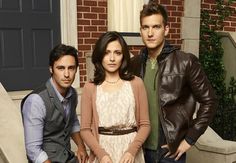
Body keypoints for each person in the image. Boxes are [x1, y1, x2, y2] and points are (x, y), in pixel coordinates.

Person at [129, 1, 218, 163]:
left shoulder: (185, 62)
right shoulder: (134, 64)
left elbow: (209, 101)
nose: (150, 33)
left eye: (156, 27)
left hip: (169, 151)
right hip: (139, 148)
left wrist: (189, 139)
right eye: (145, 27)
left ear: (166, 29)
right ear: (140, 31)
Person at [80, 31, 150, 163]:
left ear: (123, 56)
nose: (112, 58)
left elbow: (145, 125)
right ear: (100, 55)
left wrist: (131, 151)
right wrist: (101, 154)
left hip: (131, 153)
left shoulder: (136, 83)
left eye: (117, 53)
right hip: (103, 153)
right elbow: (84, 129)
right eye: (107, 53)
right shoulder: (90, 87)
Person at [21, 44, 88, 163]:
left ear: (76, 69)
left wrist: (81, 147)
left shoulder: (72, 94)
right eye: (61, 68)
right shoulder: (36, 101)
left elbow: (72, 121)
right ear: (51, 69)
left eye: (71, 68)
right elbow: (33, 150)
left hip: (67, 157)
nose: (67, 74)